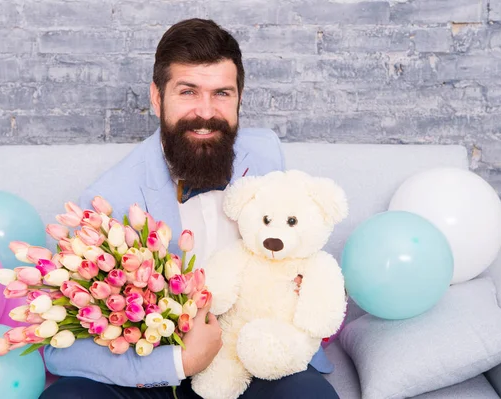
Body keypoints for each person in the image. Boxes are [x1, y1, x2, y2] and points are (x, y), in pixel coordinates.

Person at [40, 18, 339, 399]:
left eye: (222, 94)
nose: (205, 111)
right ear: (156, 96)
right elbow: (59, 350)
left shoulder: (266, 152)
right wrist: (179, 363)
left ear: (239, 98)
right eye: (188, 92)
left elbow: (298, 237)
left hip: (250, 358)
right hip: (157, 367)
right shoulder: (109, 199)